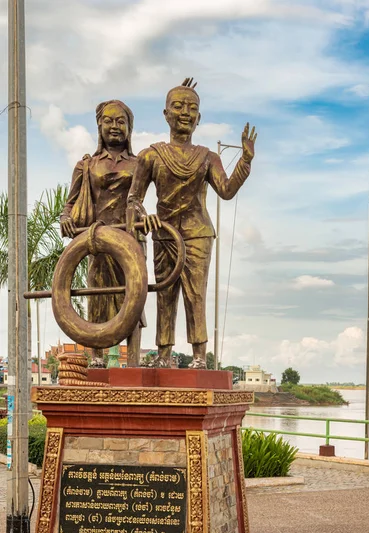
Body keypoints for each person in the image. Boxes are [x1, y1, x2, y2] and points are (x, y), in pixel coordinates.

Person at [127, 78, 257, 369]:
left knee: (196, 293)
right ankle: (164, 354)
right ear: (165, 114)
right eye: (178, 106)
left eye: (192, 108)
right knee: (165, 292)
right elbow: (133, 198)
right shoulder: (151, 155)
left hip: (197, 233)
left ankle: (199, 355)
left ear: (199, 119)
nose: (185, 112)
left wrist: (245, 162)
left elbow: (226, 190)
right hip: (164, 233)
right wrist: (143, 215)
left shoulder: (207, 157)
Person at [60, 99, 146, 366]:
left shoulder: (140, 164)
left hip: (130, 237)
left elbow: (140, 199)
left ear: (130, 128)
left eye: (121, 121)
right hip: (97, 239)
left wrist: (141, 217)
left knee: (134, 294)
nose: (115, 126)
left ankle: (132, 358)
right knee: (97, 293)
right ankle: (96, 357)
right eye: (108, 121)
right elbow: (70, 202)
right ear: (99, 126)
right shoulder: (86, 165)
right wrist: (65, 218)